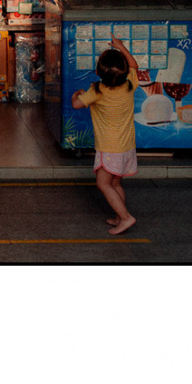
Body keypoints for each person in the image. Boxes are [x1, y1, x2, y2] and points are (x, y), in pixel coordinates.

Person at [71, 36, 140, 235]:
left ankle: (126, 218)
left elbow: (77, 104)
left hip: (109, 148)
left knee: (102, 183)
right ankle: (120, 216)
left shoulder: (97, 90)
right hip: (127, 145)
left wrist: (76, 94)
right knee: (115, 183)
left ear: (98, 72)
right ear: (125, 71)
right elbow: (134, 65)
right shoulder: (129, 84)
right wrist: (121, 47)